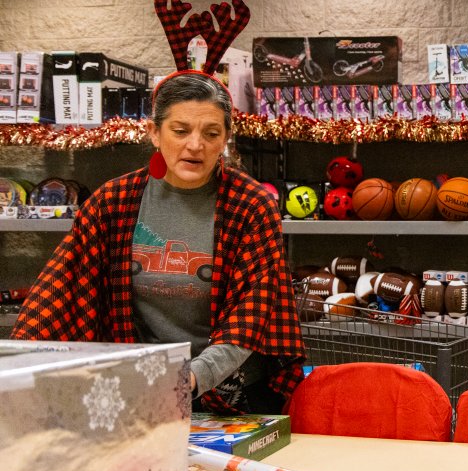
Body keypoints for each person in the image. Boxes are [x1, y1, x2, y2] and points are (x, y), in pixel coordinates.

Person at [13, 70, 305, 414]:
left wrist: (188, 379)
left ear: (226, 137)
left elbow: (249, 317)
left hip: (230, 392)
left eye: (211, 133)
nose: (195, 145)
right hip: (139, 386)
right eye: (180, 131)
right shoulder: (114, 201)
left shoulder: (252, 206)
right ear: (154, 132)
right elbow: (57, 293)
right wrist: (17, 366)